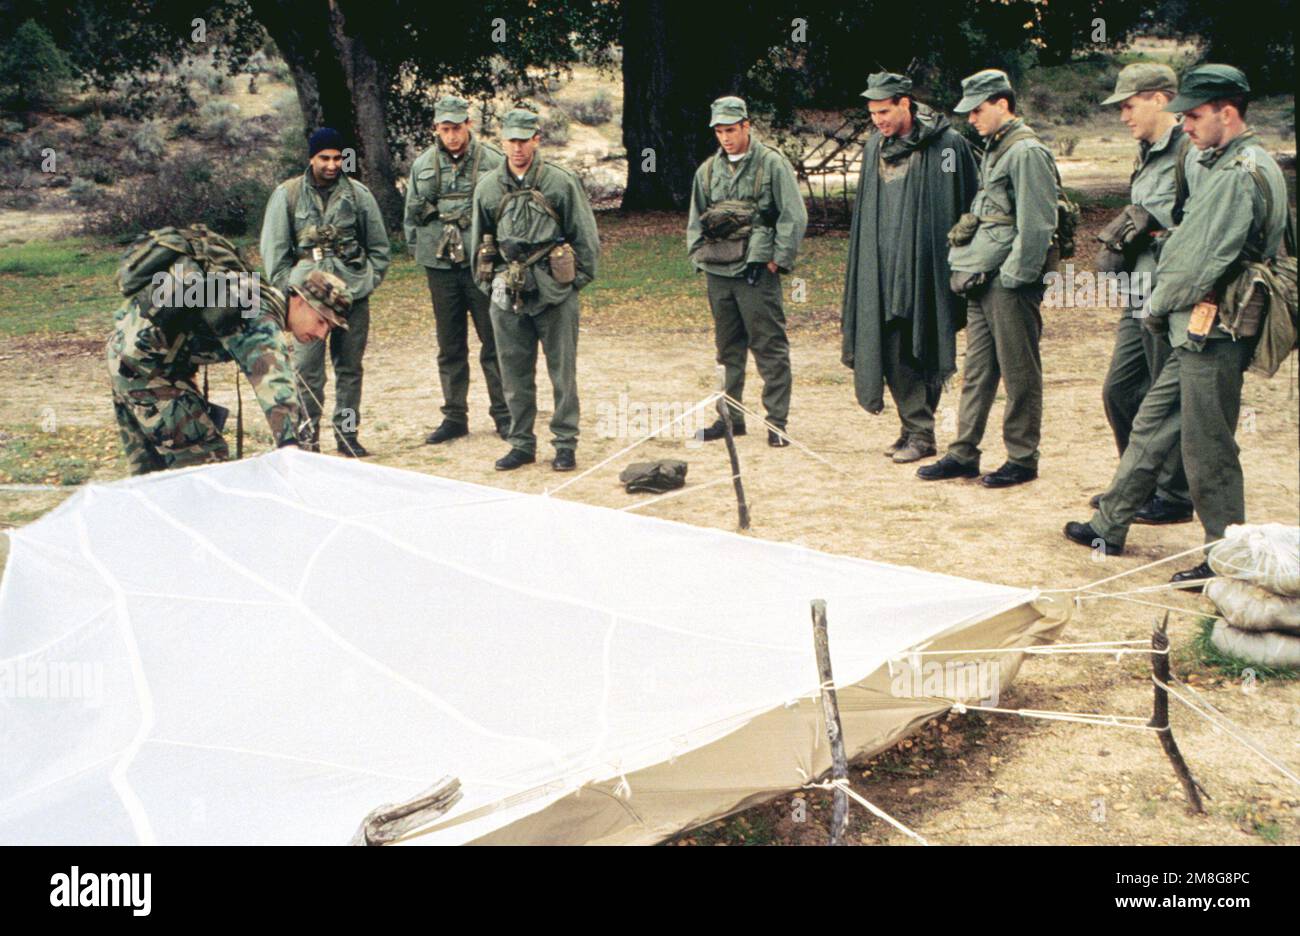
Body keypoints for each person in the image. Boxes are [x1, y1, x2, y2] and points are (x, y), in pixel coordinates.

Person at [1064, 65, 1289, 586]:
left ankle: (1226, 557)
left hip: (1215, 324)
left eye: (1192, 115)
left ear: (1225, 113)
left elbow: (1196, 260)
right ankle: (1110, 524)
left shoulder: (1238, 173)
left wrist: (1155, 304)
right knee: (1153, 420)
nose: (1184, 126)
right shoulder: (1240, 162)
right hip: (1199, 323)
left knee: (1207, 446)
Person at [918, 68, 1059, 488]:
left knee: (1019, 372)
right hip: (984, 277)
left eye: (978, 110)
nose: (972, 119)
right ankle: (963, 452)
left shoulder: (1026, 152)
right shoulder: (997, 149)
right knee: (978, 370)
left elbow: (1037, 225)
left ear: (1003, 104)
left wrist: (1015, 277)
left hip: (1009, 281)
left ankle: (1022, 457)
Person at [109, 232, 350, 474]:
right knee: (206, 465)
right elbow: (273, 378)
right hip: (148, 370)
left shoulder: (253, 293)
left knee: (150, 475)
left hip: (123, 354)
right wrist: (290, 445)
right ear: (299, 299)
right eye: (321, 321)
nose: (321, 335)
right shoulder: (260, 313)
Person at [841, 71, 978, 464]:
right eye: (872, 113)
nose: (878, 120)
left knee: (923, 339)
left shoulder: (947, 145)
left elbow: (965, 198)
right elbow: (867, 209)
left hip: (927, 265)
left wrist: (961, 260)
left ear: (906, 102)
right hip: (880, 265)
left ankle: (920, 431)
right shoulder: (873, 148)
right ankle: (914, 428)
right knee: (887, 341)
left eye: (884, 111)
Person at [468, 108, 600, 472]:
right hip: (507, 293)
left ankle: (565, 443)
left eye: (524, 140)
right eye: (510, 140)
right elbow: (478, 244)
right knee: (513, 372)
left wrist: (572, 284)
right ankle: (521, 442)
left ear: (536, 140)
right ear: (502, 141)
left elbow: (585, 238)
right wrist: (491, 285)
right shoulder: (488, 188)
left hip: (555, 290)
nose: (517, 148)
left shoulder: (560, 182)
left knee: (563, 373)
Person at [1093, 63, 1193, 525]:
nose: (1123, 116)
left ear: (1160, 99)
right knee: (1119, 390)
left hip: (1168, 293)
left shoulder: (1188, 150)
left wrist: (1153, 232)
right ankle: (1137, 484)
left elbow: (1199, 226)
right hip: (1139, 290)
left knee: (1162, 396)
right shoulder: (1147, 151)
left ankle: (1172, 496)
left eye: (1129, 105)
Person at [260, 126, 390, 456]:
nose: (332, 165)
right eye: (324, 158)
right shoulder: (287, 195)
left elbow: (378, 248)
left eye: (337, 158)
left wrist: (366, 282)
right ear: (311, 158)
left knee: (350, 370)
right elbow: (274, 253)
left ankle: (348, 434)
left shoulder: (359, 195)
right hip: (308, 302)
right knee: (307, 373)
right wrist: (291, 295)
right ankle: (308, 436)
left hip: (352, 297)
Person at [687, 95, 807, 447]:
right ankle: (729, 419)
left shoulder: (772, 164)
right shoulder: (707, 171)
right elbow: (695, 219)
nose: (726, 138)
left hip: (756, 270)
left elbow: (793, 214)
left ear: (746, 126)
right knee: (727, 351)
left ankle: (777, 422)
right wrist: (699, 257)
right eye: (720, 131)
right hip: (719, 270)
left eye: (731, 130)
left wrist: (778, 258)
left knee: (769, 347)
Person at [405, 95, 511, 445]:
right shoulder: (422, 164)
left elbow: (507, 209)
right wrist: (421, 253)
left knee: (493, 340)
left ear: (469, 125)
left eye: (458, 127)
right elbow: (411, 215)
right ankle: (454, 416)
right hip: (440, 266)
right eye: (445, 129)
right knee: (449, 345)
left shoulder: (494, 160)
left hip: (481, 264)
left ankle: (505, 414)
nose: (452, 136)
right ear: (436, 128)